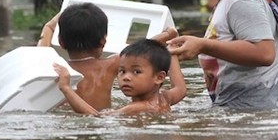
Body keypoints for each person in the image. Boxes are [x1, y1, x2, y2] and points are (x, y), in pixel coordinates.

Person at [38, 3, 179, 111]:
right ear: (103, 41)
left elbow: (43, 42)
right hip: (102, 120)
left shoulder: (56, 69)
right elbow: (139, 49)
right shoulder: (110, 64)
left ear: (61, 42)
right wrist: (168, 34)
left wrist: (51, 25)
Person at [53, 38, 187, 115]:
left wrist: (66, 88)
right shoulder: (165, 99)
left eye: (136, 72)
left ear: (159, 77)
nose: (126, 77)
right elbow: (180, 89)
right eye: (122, 71)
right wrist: (172, 52)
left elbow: (95, 117)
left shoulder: (136, 108)